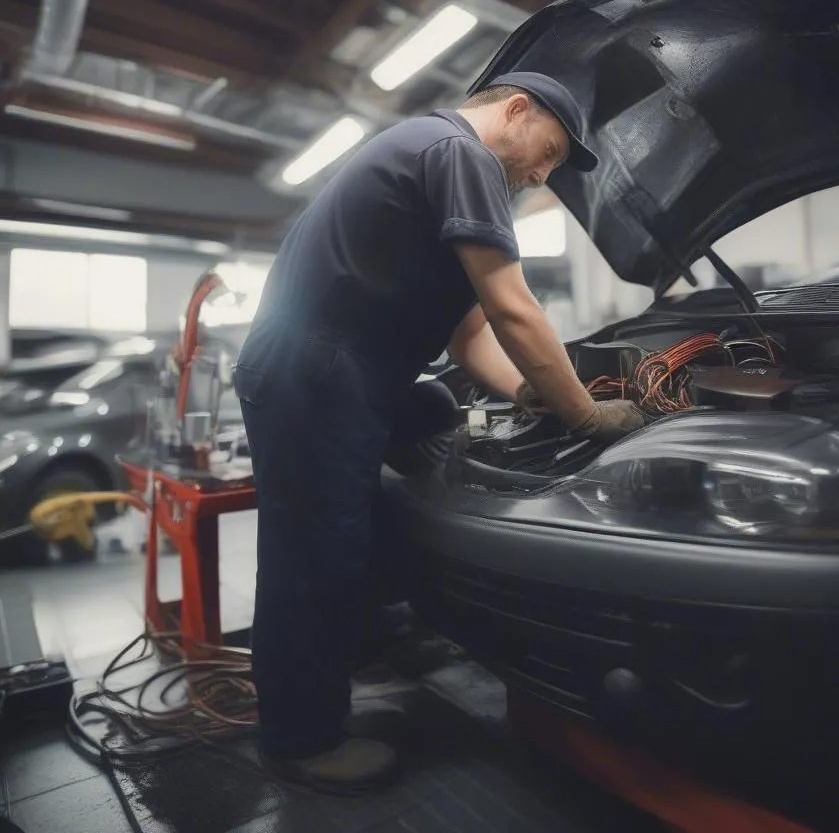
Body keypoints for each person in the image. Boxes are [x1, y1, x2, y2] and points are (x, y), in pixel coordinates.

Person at [234, 71, 646, 791]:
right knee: (314, 557)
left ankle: (368, 639)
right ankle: (300, 740)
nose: (542, 173)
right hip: (319, 371)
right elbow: (515, 309)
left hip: (342, 373)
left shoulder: (430, 156)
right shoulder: (461, 154)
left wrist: (529, 394)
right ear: (516, 110)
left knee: (431, 412)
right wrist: (583, 411)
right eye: (547, 152)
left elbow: (471, 337)